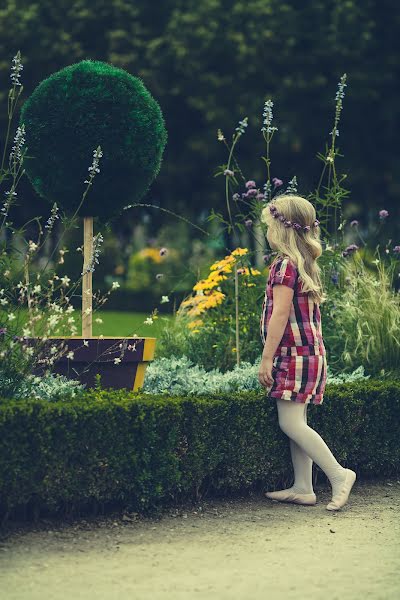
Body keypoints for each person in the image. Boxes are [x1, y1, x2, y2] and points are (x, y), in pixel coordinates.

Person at [258, 194, 356, 511]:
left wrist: (267, 357)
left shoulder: (284, 266)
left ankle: (339, 475)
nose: (267, 232)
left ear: (282, 230)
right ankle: (303, 487)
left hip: (293, 355)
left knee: (291, 424)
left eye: (269, 226)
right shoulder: (305, 264)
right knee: (296, 420)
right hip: (310, 354)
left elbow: (280, 315)